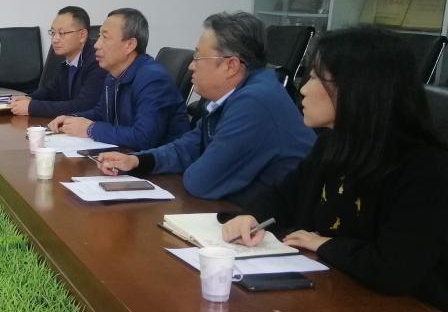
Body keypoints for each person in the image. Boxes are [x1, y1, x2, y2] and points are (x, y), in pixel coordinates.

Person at [221, 27, 448, 312]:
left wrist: (325, 244)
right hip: (331, 298)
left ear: (357, 89)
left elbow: (395, 269)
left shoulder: (425, 168)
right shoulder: (331, 144)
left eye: (316, 77)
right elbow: (282, 196)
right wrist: (252, 216)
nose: (303, 89)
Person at [98, 11, 315, 205]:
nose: (191, 65)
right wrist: (138, 161)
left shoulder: (254, 102)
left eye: (198, 57)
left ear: (231, 65)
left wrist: (195, 161)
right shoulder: (233, 95)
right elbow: (190, 146)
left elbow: (200, 182)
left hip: (284, 225)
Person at [47, 8, 189, 148]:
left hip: (157, 161)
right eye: (99, 36)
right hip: (125, 155)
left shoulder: (153, 79)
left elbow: (144, 138)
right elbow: (101, 113)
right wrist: (73, 118)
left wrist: (90, 129)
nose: (96, 45)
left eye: (105, 37)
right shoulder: (113, 75)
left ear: (129, 45)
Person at [8, 6, 104, 118]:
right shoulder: (68, 61)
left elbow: (82, 106)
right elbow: (52, 90)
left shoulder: (97, 61)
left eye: (62, 33)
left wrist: (32, 107)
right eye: (53, 33)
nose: (54, 39)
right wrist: (29, 98)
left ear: (82, 35)